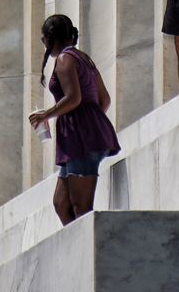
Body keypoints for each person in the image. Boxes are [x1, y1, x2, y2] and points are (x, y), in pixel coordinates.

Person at [28, 14, 120, 225]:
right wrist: (92, 120)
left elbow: (73, 97)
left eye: (43, 39)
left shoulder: (64, 59)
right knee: (61, 204)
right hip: (81, 135)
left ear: (50, 38)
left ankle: (88, 252)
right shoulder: (83, 58)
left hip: (81, 139)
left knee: (81, 206)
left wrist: (46, 114)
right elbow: (103, 99)